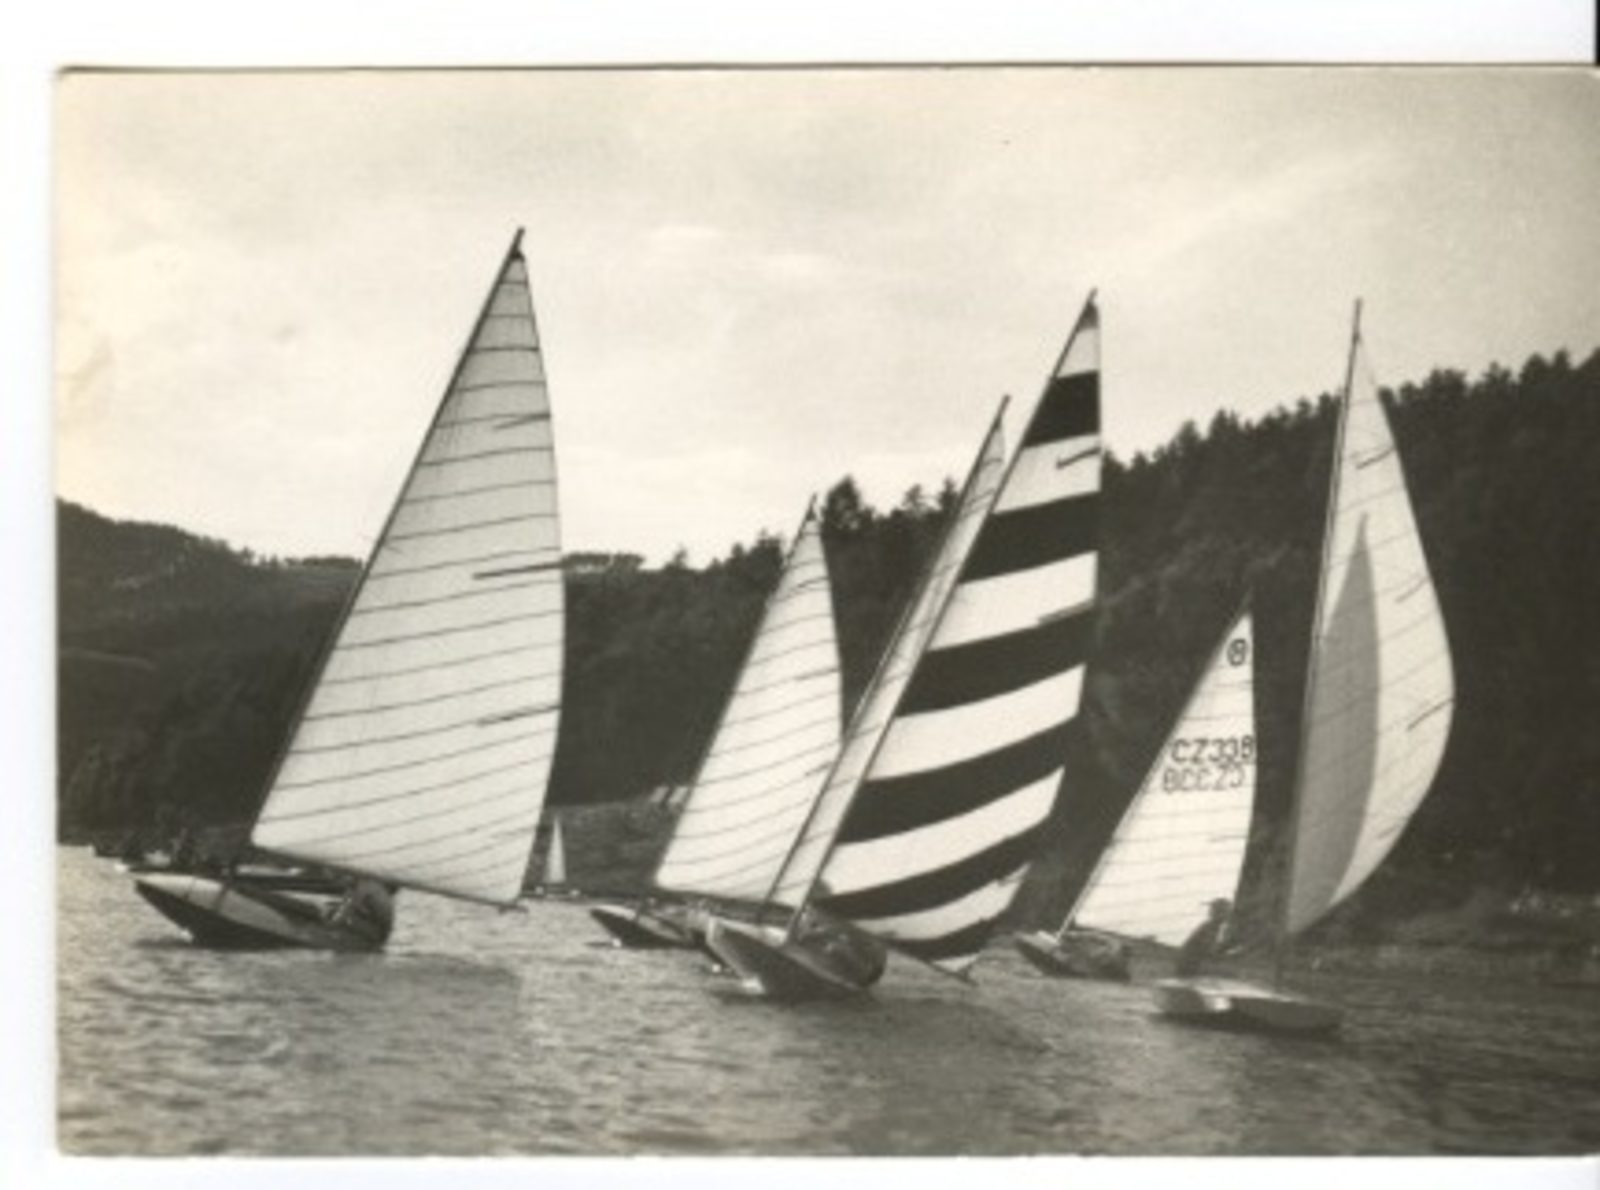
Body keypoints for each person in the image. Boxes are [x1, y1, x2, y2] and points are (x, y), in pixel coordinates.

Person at [326, 878, 397, 948]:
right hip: (380, 932)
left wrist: (330, 925)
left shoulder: (363, 888)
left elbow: (349, 910)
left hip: (375, 933)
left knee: (345, 920)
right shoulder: (370, 885)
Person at [1174, 897, 1232, 978]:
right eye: (1226, 912)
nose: (1228, 916)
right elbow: (1209, 950)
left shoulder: (1211, 927)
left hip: (1191, 963)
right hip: (1189, 966)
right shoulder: (1210, 928)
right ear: (1218, 914)